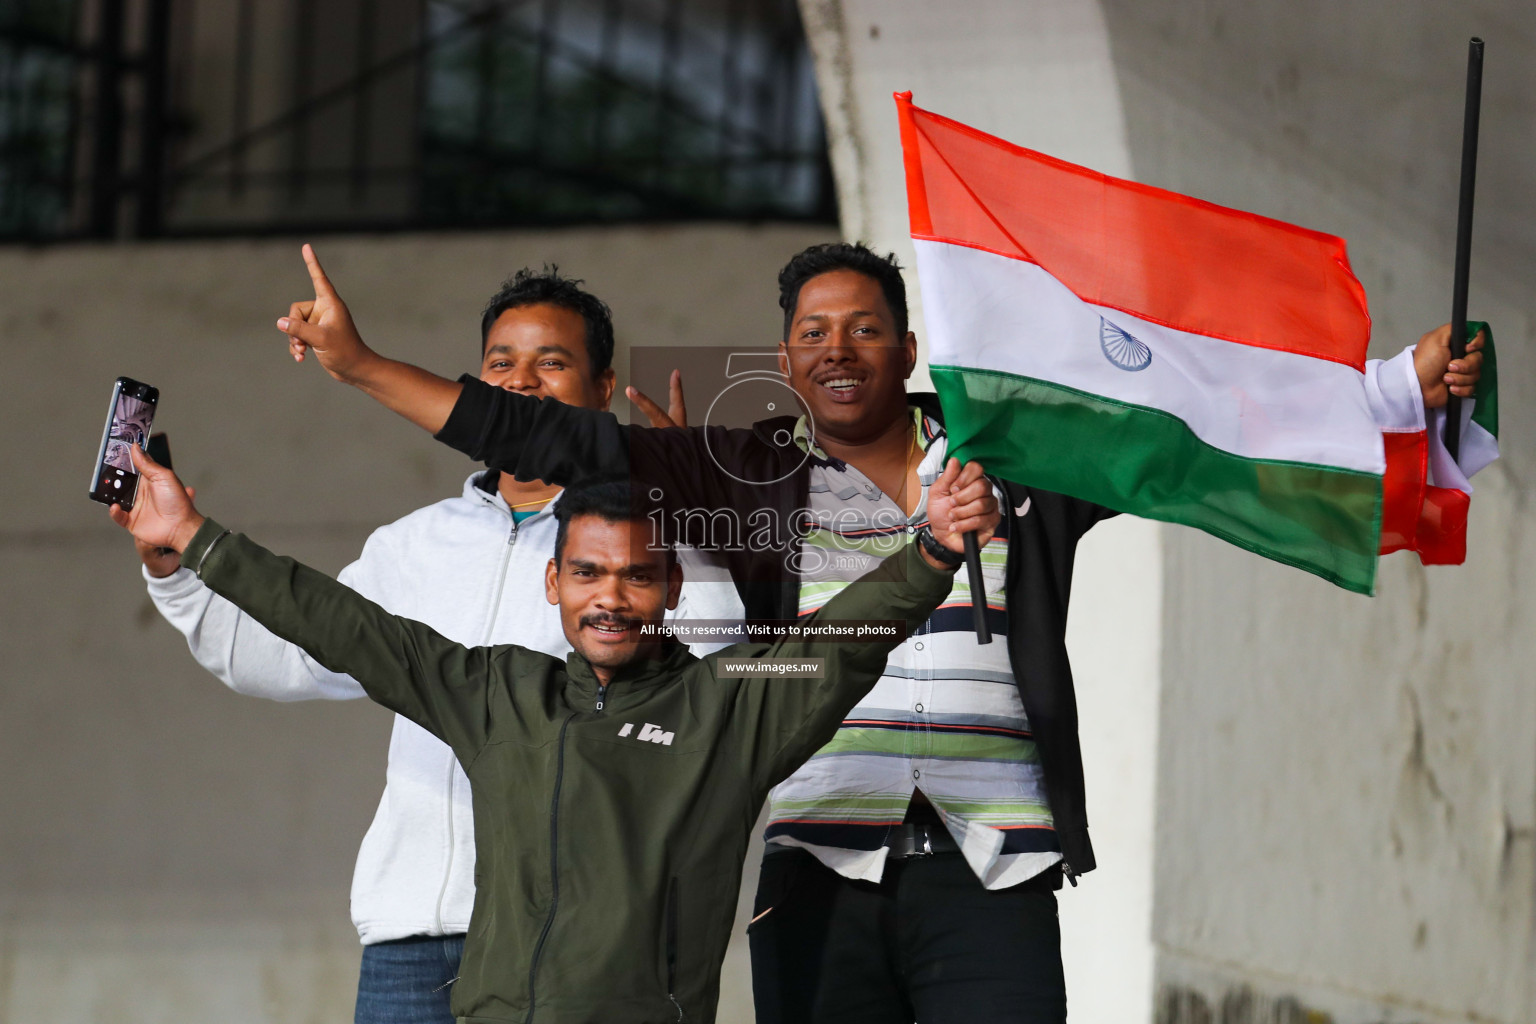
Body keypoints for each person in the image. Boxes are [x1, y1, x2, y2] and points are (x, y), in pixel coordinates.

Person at [271, 241, 1485, 1023]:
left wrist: (1386, 388)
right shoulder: (747, 477)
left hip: (992, 861)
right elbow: (550, 441)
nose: (834, 347)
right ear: (786, 360)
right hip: (819, 864)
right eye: (809, 331)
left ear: (909, 348)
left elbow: (1183, 433)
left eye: (862, 327)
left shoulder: (1013, 463)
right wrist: (364, 364)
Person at [111, 444, 1001, 1024]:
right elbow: (348, 626)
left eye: (636, 576)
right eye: (587, 572)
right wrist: (193, 537)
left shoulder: (731, 700)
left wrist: (929, 554)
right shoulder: (500, 690)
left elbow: (835, 646)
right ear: (554, 584)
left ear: (673, 592)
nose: (609, 596)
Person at [136, 257, 738, 1024]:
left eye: (551, 363)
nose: (521, 383)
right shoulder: (412, 545)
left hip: (571, 937)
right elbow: (283, 658)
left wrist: (681, 510)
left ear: (604, 388)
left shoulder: (646, 548)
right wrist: (177, 573)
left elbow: (723, 678)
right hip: (412, 935)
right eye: (500, 365)